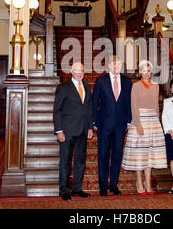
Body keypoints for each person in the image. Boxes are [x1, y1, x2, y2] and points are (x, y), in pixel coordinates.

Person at [122, 60, 167, 194]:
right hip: (139, 121)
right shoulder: (135, 86)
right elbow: (133, 105)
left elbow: (155, 106)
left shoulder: (156, 86)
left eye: (148, 70)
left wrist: (158, 123)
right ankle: (139, 183)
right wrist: (137, 123)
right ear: (140, 72)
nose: (146, 73)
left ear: (150, 72)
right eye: (144, 70)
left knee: (149, 155)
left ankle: (148, 184)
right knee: (139, 155)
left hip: (153, 121)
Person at [53, 62, 94, 201]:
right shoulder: (63, 88)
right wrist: (59, 130)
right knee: (65, 161)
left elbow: (88, 109)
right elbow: (57, 111)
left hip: (82, 130)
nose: (80, 73)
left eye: (82, 70)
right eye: (77, 70)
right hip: (67, 131)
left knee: (80, 161)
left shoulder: (87, 87)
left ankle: (77, 189)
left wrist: (89, 127)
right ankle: (64, 190)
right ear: (71, 71)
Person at [92, 55, 132, 197]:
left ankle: (113, 185)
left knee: (116, 156)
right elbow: (94, 103)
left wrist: (129, 120)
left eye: (119, 64)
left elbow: (129, 103)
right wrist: (94, 122)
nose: (116, 67)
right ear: (109, 66)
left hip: (120, 125)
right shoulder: (100, 81)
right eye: (114, 64)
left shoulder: (127, 82)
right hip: (104, 125)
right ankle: (103, 186)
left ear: (121, 66)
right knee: (103, 156)